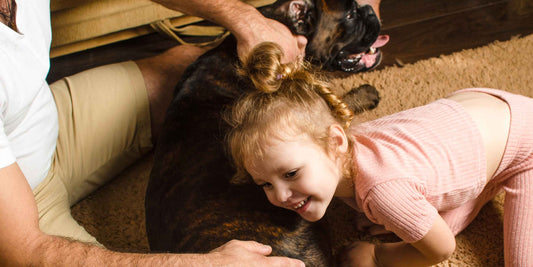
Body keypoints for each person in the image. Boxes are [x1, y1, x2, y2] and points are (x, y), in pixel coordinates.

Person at [0, 0, 307, 265]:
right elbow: (25, 250)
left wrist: (247, 21)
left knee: (197, 68)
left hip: (39, 123)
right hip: (18, 225)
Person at [225, 42, 533, 266]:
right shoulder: (340, 141)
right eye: (264, 183)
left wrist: (376, 255)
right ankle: (482, 185)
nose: (279, 195)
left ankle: (492, 180)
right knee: (422, 213)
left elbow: (441, 250)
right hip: (477, 104)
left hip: (525, 146)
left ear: (335, 142)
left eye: (290, 174)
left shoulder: (384, 192)